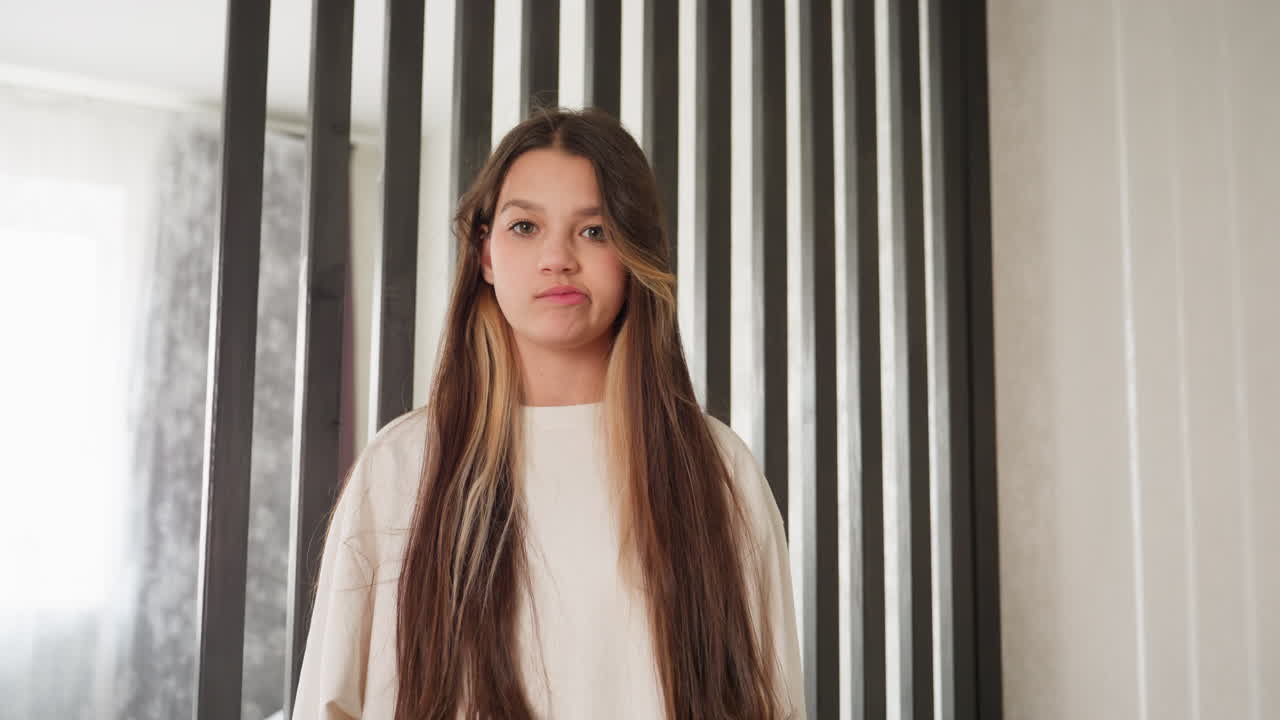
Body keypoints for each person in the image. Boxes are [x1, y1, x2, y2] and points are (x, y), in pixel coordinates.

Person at [291, 107, 805, 719]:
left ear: (635, 254)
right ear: (484, 255)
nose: (558, 258)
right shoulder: (403, 465)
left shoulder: (716, 469)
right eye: (525, 226)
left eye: (594, 232)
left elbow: (774, 703)